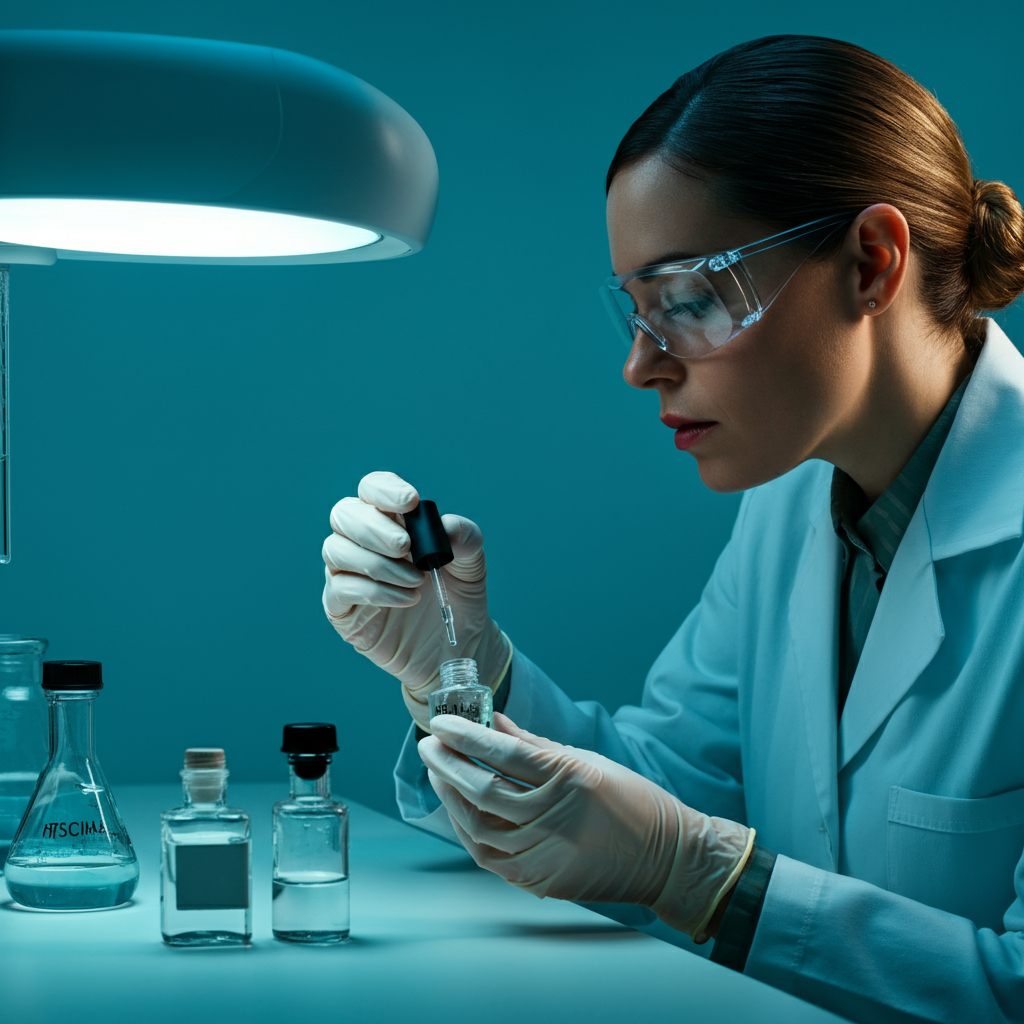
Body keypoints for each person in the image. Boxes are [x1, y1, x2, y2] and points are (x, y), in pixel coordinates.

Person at [320, 35, 1024, 1024]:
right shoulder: (789, 500)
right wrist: (460, 671)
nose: (641, 365)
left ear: (871, 263)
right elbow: (654, 796)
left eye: (690, 299)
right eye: (638, 311)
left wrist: (705, 878)